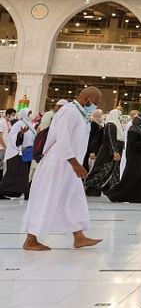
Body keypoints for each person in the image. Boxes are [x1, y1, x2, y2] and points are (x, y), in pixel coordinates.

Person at [23, 87, 104, 251]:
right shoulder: (69, 112)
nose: (96, 106)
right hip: (59, 163)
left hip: (69, 165)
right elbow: (63, 139)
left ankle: (79, 237)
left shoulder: (80, 114)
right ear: (87, 99)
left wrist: (75, 164)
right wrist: (75, 163)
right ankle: (30, 239)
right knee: (47, 198)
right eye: (95, 102)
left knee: (74, 199)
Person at [106, 111, 141, 203]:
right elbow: (133, 145)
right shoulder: (133, 130)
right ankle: (115, 194)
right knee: (132, 178)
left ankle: (137, 197)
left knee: (140, 178)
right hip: (135, 158)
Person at [0, 109, 35, 200]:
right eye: (29, 113)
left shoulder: (29, 124)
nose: (30, 115)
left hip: (25, 153)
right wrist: (21, 134)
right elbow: (12, 138)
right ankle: (22, 192)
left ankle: (15, 192)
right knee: (18, 174)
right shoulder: (19, 124)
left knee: (19, 174)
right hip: (16, 153)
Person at [84, 115, 121, 197]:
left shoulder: (108, 125)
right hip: (107, 153)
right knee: (102, 171)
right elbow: (111, 139)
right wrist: (115, 151)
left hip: (106, 151)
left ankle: (107, 190)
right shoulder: (111, 125)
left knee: (105, 171)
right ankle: (86, 186)